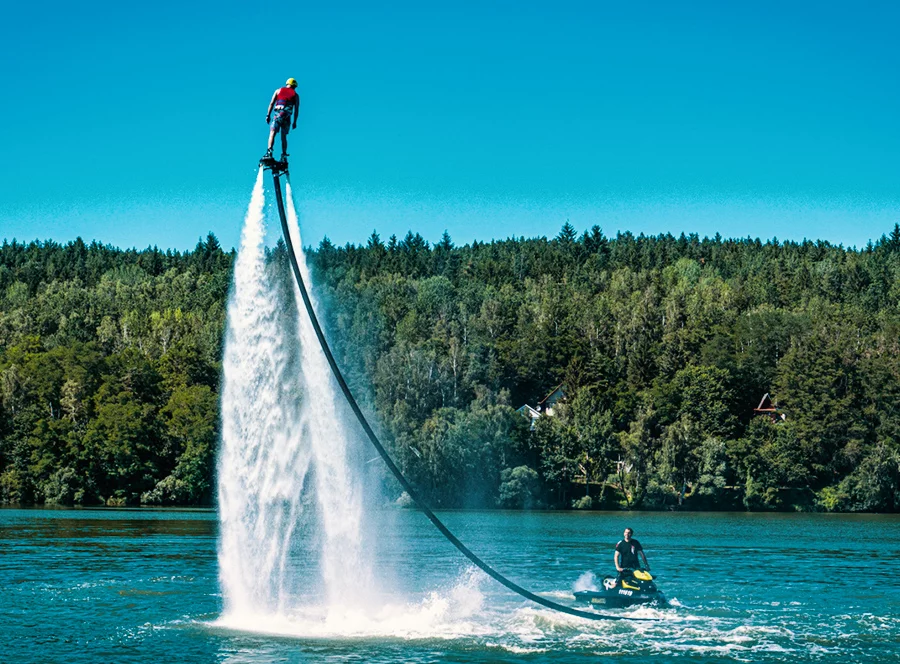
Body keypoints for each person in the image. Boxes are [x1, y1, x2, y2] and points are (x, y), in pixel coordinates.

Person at [264, 78, 300, 160]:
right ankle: (284, 154)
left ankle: (269, 151)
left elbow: (272, 103)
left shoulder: (278, 90)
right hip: (287, 116)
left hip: (278, 114)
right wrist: (295, 122)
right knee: (283, 136)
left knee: (272, 132)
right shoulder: (296, 95)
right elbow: (296, 109)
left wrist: (268, 115)